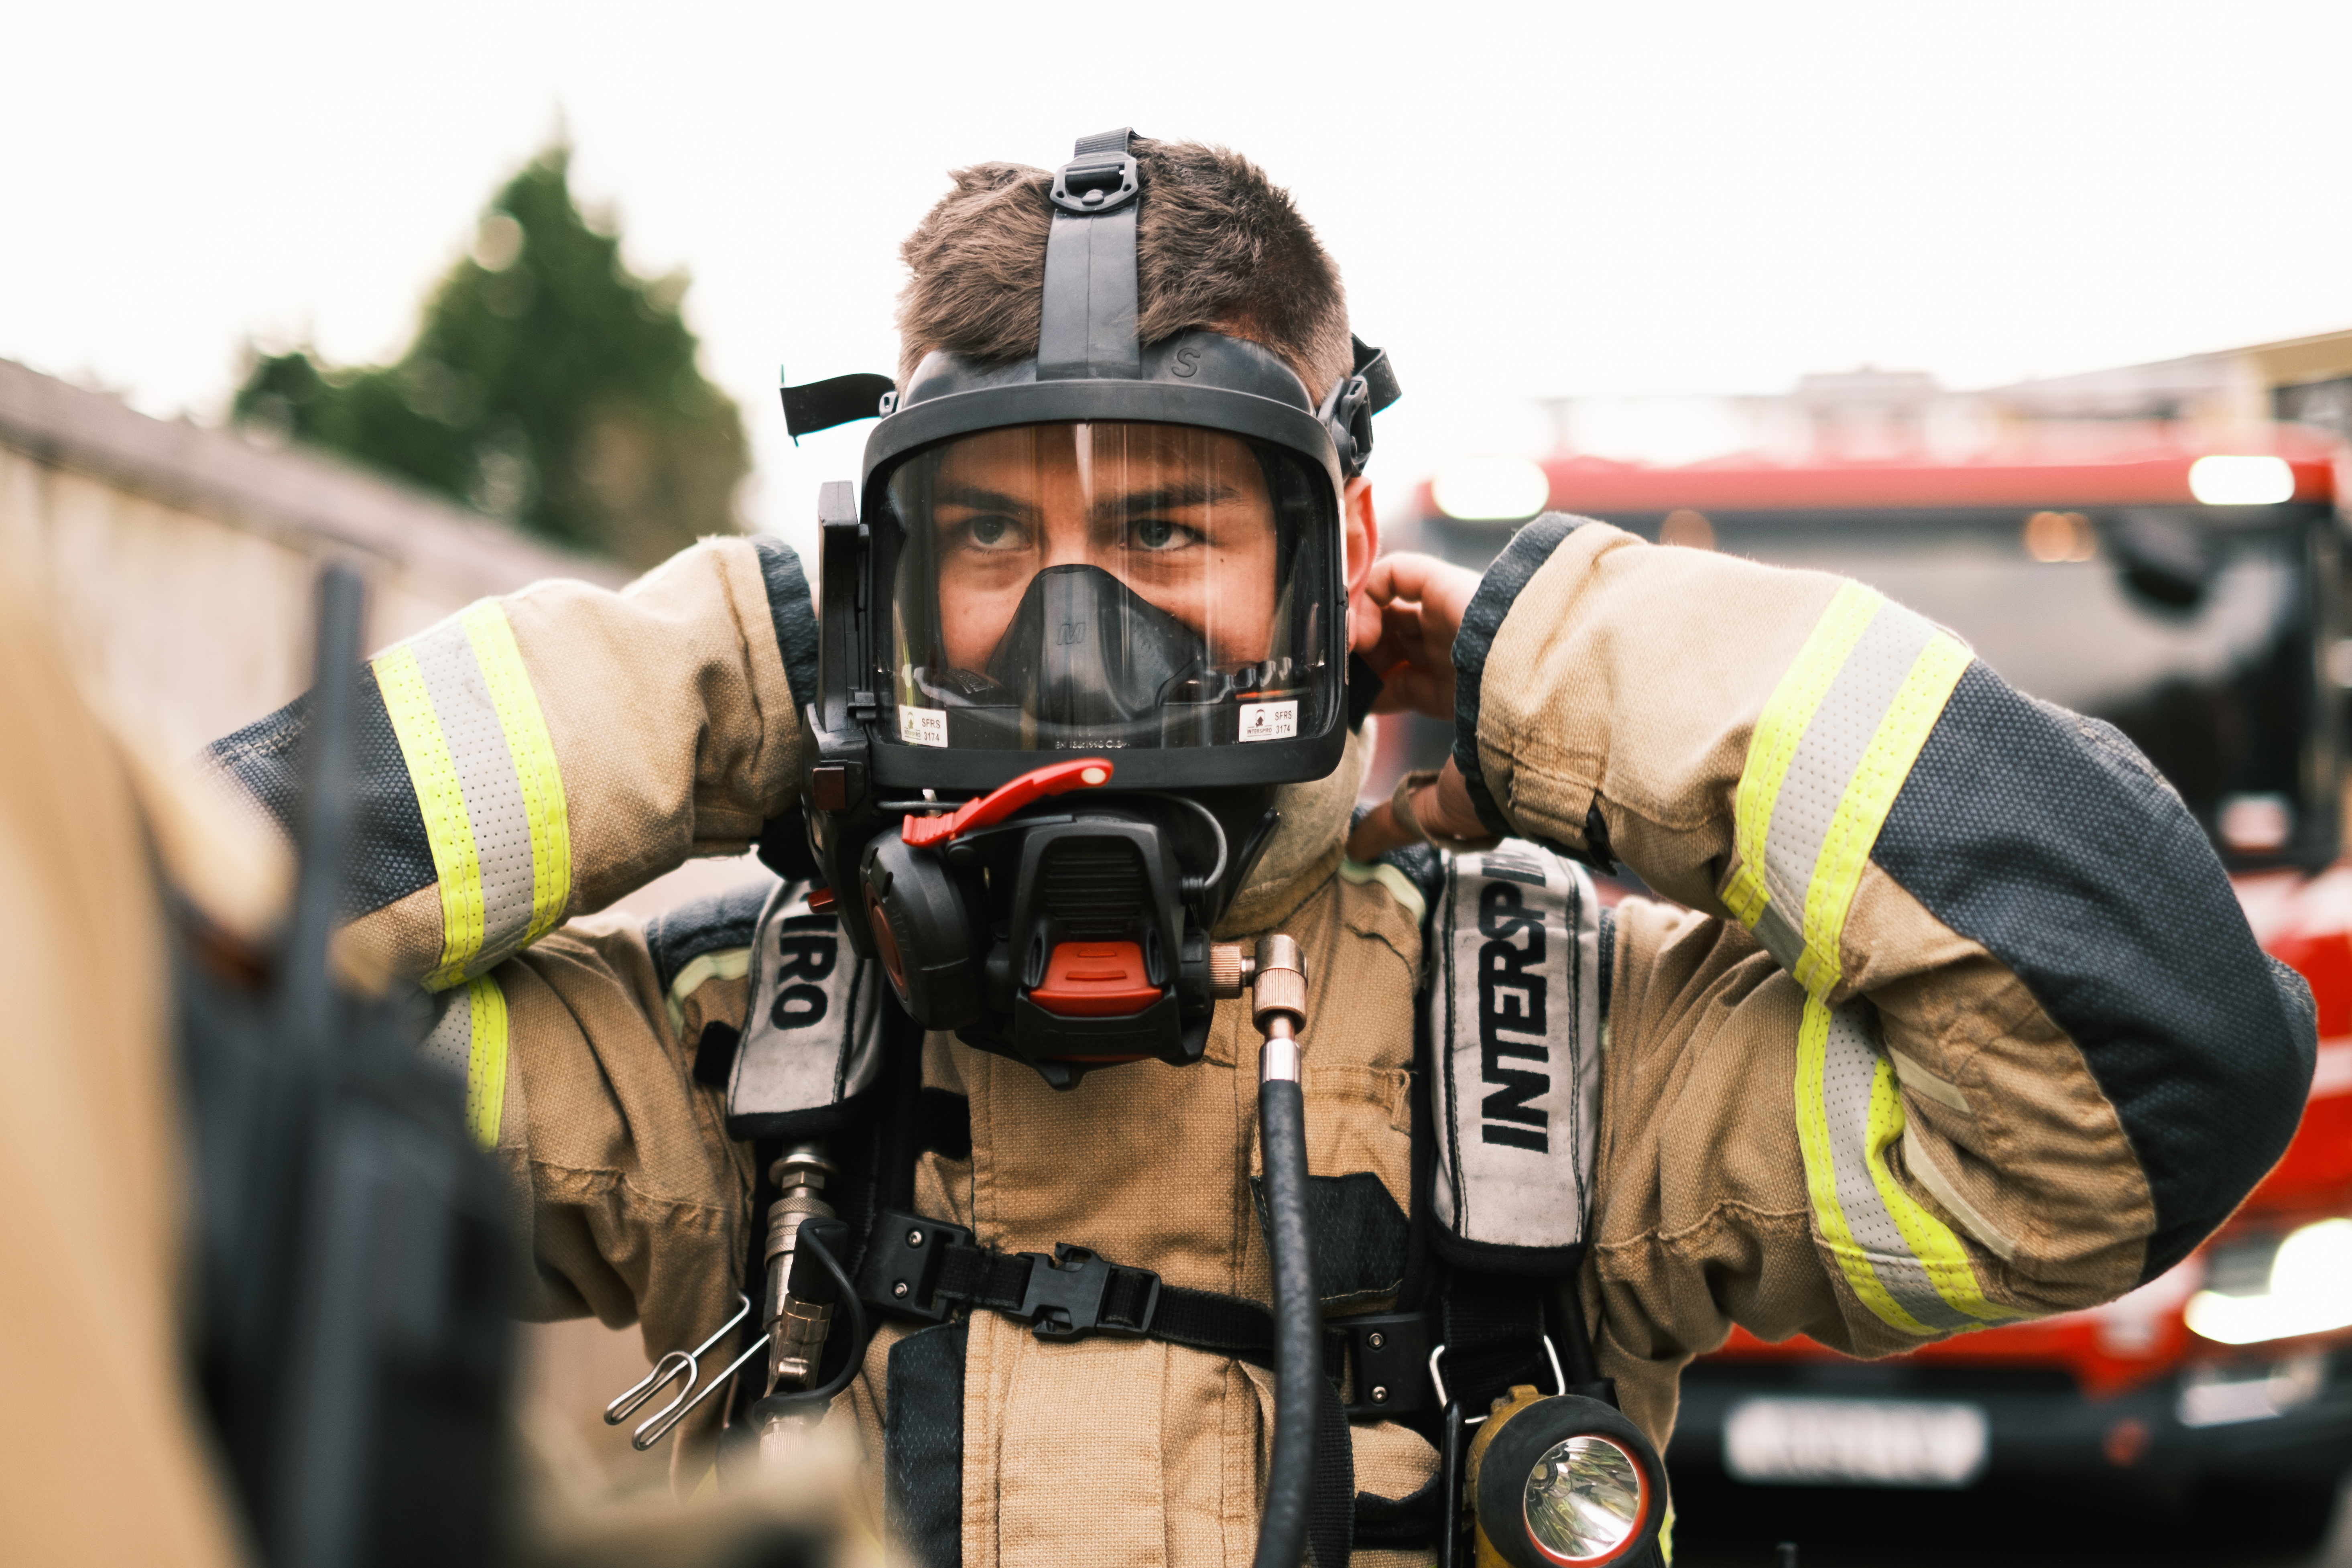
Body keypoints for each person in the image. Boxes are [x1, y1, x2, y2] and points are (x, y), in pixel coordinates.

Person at [205, 134, 2315, 1568]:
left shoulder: (1580, 1073)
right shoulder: (746, 1066)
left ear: (1341, 561)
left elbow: (2158, 1063)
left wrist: (1530, 657)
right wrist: (741, 668)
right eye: (988, 537)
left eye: (1164, 529)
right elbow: (169, 1012)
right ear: (887, 580)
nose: (1075, 626)